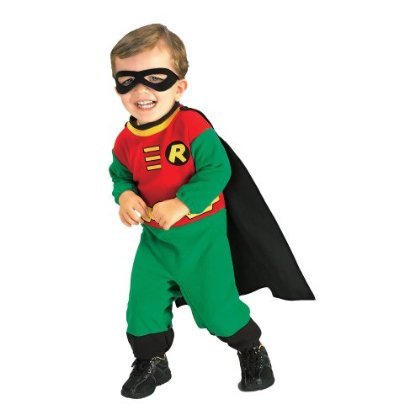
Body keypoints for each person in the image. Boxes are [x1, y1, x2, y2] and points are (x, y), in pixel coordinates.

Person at [109, 23, 314, 399]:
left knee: (217, 308)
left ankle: (251, 349)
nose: (141, 91)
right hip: (155, 242)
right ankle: (152, 361)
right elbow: (120, 176)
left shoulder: (191, 125)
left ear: (179, 86)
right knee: (142, 305)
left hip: (202, 240)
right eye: (127, 81)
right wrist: (124, 197)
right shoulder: (125, 140)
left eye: (155, 78)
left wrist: (182, 202)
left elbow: (218, 169)